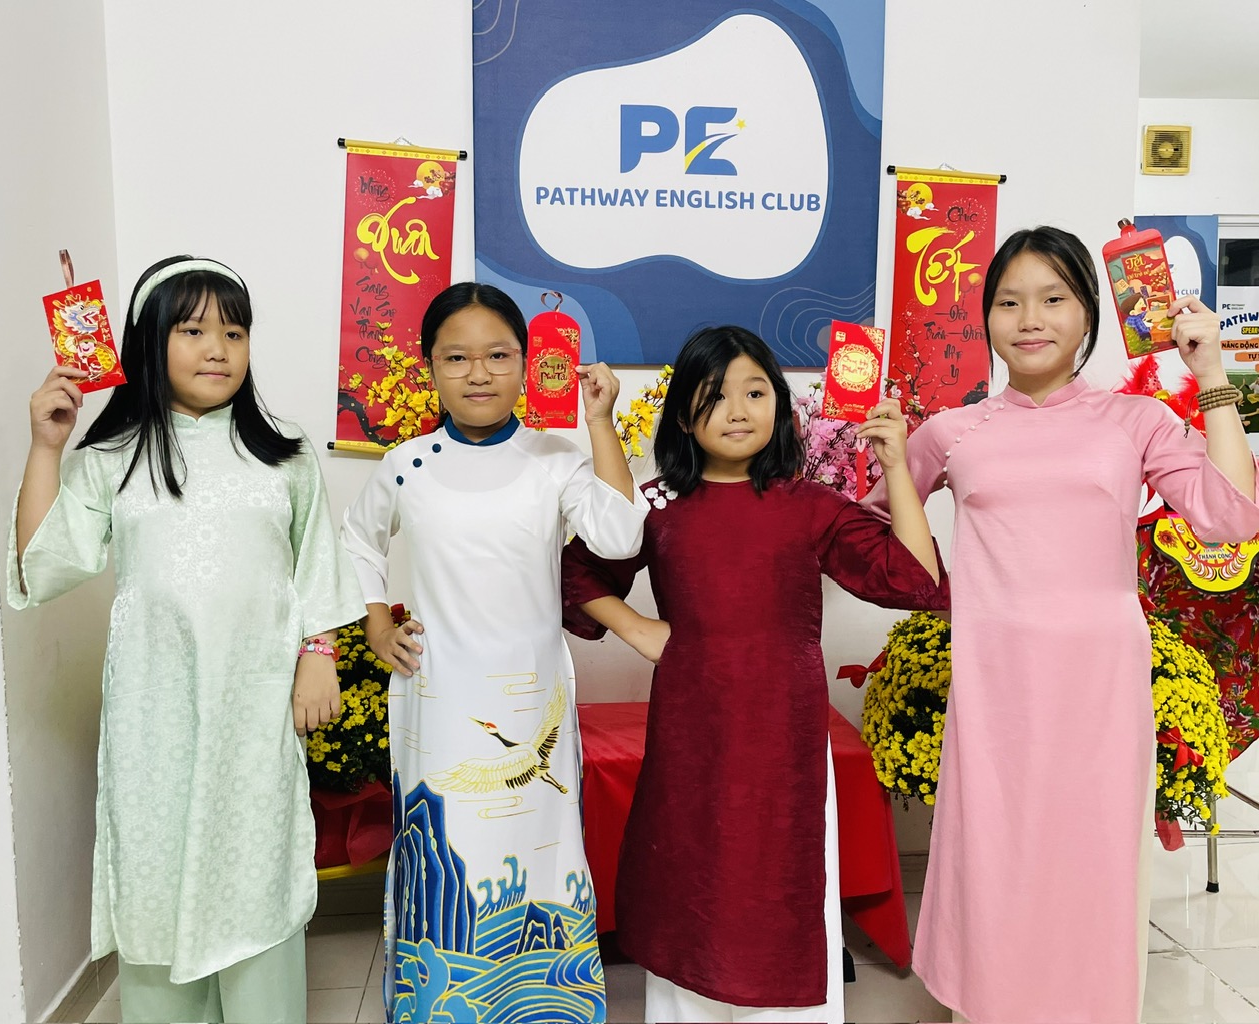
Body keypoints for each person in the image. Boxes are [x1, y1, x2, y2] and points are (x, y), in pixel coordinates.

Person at [865, 225, 1259, 1023]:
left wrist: (1212, 375)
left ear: (1088, 314)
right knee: (995, 860)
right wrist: (892, 460)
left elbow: (1231, 516)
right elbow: (885, 554)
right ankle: (986, 1007)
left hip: (1101, 690)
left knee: (1093, 864)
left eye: (1053, 299)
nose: (1030, 319)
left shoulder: (1136, 421)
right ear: (986, 318)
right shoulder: (952, 430)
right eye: (1009, 303)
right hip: (994, 689)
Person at [10, 256, 366, 1024]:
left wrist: (319, 657)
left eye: (234, 332)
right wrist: (45, 448)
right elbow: (42, 566)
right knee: (157, 873)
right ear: (149, 341)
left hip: (255, 714)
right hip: (153, 722)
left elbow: (317, 566)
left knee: (255, 874)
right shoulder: (113, 458)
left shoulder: (284, 450)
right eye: (195, 330)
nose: (219, 349)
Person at [560, 325, 947, 1023]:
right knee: (691, 881)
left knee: (780, 884)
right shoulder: (657, 504)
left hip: (785, 742)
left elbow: (914, 579)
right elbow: (577, 572)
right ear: (684, 416)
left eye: (755, 392)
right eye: (714, 396)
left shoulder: (810, 505)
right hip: (691, 734)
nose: (737, 411)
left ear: (780, 406)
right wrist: (637, 628)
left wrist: (895, 466)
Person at [340, 282, 648, 1024]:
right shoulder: (405, 465)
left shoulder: (556, 460)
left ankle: (548, 1004)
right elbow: (355, 542)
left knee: (538, 846)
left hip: (532, 695)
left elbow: (619, 538)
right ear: (429, 367)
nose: (478, 373)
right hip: (437, 696)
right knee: (447, 844)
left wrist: (599, 423)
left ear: (525, 363)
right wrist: (377, 626)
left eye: (498, 356)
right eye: (456, 357)